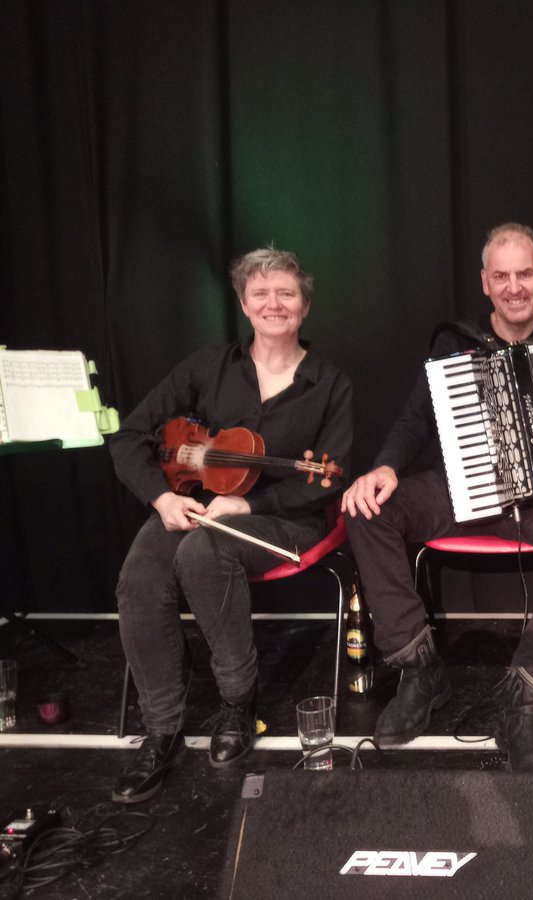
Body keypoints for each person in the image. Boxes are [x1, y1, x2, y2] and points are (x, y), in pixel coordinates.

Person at [341, 223, 533, 770]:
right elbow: (416, 420)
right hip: (464, 491)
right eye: (502, 276)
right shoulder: (457, 341)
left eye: (525, 274)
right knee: (368, 508)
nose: (514, 286)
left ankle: (524, 702)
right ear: (485, 282)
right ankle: (420, 670)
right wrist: (383, 468)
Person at [108, 247, 353, 803]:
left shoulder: (329, 382)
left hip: (286, 520)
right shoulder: (207, 367)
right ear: (244, 303)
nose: (274, 303)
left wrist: (249, 506)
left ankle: (239, 703)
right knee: (141, 578)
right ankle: (161, 729)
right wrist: (162, 499)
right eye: (260, 293)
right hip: (192, 504)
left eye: (286, 292)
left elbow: (329, 479)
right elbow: (128, 437)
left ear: (305, 305)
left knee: (203, 554)